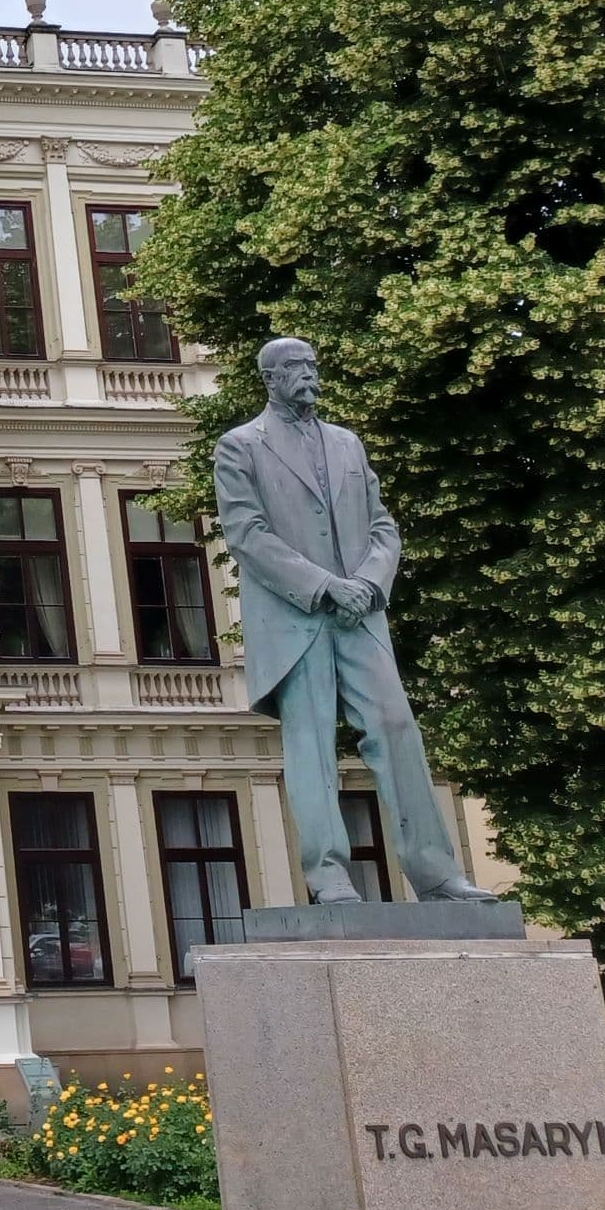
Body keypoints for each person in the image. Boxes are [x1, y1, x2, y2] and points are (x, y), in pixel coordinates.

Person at [212, 337, 497, 905]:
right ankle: (329, 876)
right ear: (269, 378)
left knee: (396, 729)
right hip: (300, 617)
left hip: (361, 614)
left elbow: (382, 525)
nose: (310, 375)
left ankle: (436, 874)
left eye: (313, 366)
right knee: (312, 744)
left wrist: (369, 581)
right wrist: (323, 586)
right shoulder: (240, 445)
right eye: (296, 368)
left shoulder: (347, 444)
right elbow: (247, 534)